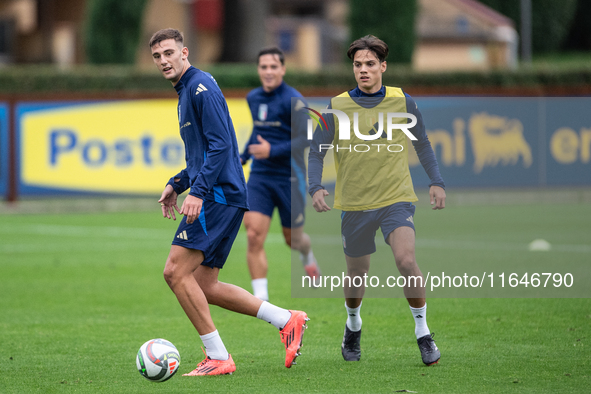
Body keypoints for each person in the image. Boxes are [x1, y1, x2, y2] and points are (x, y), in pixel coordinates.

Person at [150, 28, 308, 376]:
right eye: (157, 56)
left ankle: (218, 356)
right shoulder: (188, 90)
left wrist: (199, 192)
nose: (163, 61)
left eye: (168, 53)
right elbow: (205, 151)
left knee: (175, 272)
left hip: (218, 195)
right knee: (205, 284)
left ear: (184, 52)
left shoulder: (200, 87)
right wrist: (178, 183)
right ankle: (286, 319)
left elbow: (222, 146)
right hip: (227, 194)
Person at [308, 35, 445, 366]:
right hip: (354, 204)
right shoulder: (337, 107)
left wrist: (436, 181)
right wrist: (315, 186)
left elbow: (422, 143)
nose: (363, 70)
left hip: (395, 197)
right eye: (358, 65)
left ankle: (423, 333)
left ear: (383, 66)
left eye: (370, 64)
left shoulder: (403, 102)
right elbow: (317, 150)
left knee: (406, 260)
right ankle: (353, 324)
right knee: (357, 274)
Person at [240, 47, 321, 302]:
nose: (268, 71)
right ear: (258, 70)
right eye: (263, 67)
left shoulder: (294, 100)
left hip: (290, 177)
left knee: (293, 240)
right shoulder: (253, 97)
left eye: (273, 67)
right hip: (260, 176)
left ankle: (307, 254)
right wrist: (242, 157)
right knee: (253, 234)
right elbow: (258, 131)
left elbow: (307, 138)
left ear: (283, 69)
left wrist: (272, 150)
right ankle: (261, 299)